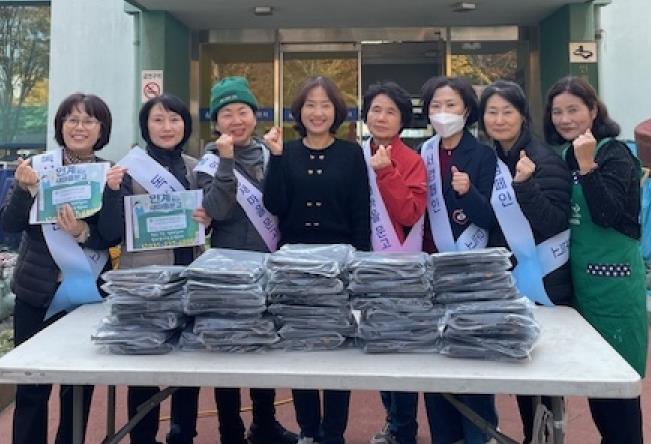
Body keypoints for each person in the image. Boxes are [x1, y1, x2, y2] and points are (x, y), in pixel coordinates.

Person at [169, 76, 298, 444]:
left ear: (254, 115)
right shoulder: (209, 162)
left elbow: (284, 202)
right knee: (226, 348)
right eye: (227, 113)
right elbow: (217, 210)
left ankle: (264, 423)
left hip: (270, 265)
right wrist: (226, 163)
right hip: (228, 268)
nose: (237, 120)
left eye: (243, 111)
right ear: (216, 122)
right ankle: (231, 430)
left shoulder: (270, 153)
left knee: (263, 345)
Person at [1, 93, 125, 444]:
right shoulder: (36, 167)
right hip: (36, 293)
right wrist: (24, 190)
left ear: (101, 129)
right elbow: (9, 225)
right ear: (60, 126)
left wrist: (83, 232)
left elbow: (112, 234)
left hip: (84, 295)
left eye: (89, 120)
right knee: (31, 387)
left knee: (78, 390)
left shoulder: (109, 172)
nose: (79, 127)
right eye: (72, 119)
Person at [263, 75, 371, 444]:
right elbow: (274, 204)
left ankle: (333, 433)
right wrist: (277, 158)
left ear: (336, 111)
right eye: (311, 105)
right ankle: (308, 430)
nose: (318, 112)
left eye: (325, 105)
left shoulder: (351, 154)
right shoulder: (286, 152)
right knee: (300, 347)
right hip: (295, 264)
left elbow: (360, 211)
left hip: (339, 265)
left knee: (338, 348)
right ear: (300, 111)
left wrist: (360, 262)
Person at [544, 76, 648, 444]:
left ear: (593, 110)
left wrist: (588, 166)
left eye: (573, 109)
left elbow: (607, 214)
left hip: (613, 287)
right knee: (594, 386)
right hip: (579, 285)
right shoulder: (561, 155)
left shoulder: (614, 153)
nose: (565, 119)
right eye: (557, 111)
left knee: (618, 389)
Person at [479, 80, 572, 443]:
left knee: (544, 382)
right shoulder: (494, 158)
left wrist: (525, 185)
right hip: (513, 282)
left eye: (508, 111)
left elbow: (554, 223)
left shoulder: (542, 159)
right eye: (492, 112)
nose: (499, 120)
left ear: (523, 116)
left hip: (543, 282)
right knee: (525, 376)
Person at [119, 94, 210, 444]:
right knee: (145, 367)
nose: (167, 127)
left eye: (174, 119)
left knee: (188, 365)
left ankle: (183, 434)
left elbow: (209, 218)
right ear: (146, 126)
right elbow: (114, 226)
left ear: (185, 125)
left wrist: (208, 219)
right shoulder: (128, 168)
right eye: (158, 120)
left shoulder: (195, 167)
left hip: (189, 276)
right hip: (146, 281)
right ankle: (142, 437)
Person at [418, 76, 497, 444]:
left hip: (471, 272)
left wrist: (468, 193)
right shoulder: (422, 152)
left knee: (473, 355)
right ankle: (444, 436)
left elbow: (491, 219)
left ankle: (479, 435)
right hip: (431, 270)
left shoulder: (483, 155)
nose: (443, 112)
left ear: (466, 110)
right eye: (436, 105)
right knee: (435, 360)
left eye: (451, 105)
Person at [361, 81, 426, 444]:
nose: (382, 117)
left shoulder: (411, 160)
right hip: (365, 269)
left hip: (401, 272)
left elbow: (410, 212)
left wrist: (387, 173)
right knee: (377, 349)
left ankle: (403, 429)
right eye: (376, 110)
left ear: (402, 120)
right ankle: (392, 421)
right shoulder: (357, 155)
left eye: (390, 111)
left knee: (401, 351)